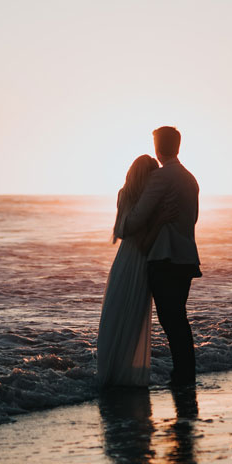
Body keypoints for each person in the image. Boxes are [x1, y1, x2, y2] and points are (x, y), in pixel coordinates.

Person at [122, 126, 201, 385]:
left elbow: (135, 220)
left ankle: (182, 375)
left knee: (171, 320)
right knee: (178, 317)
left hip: (164, 258)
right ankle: (185, 373)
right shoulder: (190, 179)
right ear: (177, 146)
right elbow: (194, 219)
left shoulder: (161, 177)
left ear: (157, 148)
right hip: (187, 257)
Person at [96, 154, 162, 386]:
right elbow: (123, 229)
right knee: (130, 314)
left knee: (119, 313)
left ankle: (113, 371)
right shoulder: (142, 198)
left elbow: (121, 231)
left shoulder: (136, 196)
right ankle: (121, 372)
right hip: (139, 258)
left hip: (128, 258)